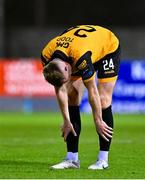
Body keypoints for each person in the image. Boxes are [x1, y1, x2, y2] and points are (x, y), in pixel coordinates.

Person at [41, 25, 121, 170]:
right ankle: (72, 159)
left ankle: (103, 160)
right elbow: (60, 89)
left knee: (103, 100)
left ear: (67, 67)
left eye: (67, 78)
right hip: (78, 51)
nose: (67, 82)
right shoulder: (47, 56)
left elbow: (92, 90)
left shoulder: (80, 56)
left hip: (107, 47)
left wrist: (98, 120)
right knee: (73, 97)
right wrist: (66, 120)